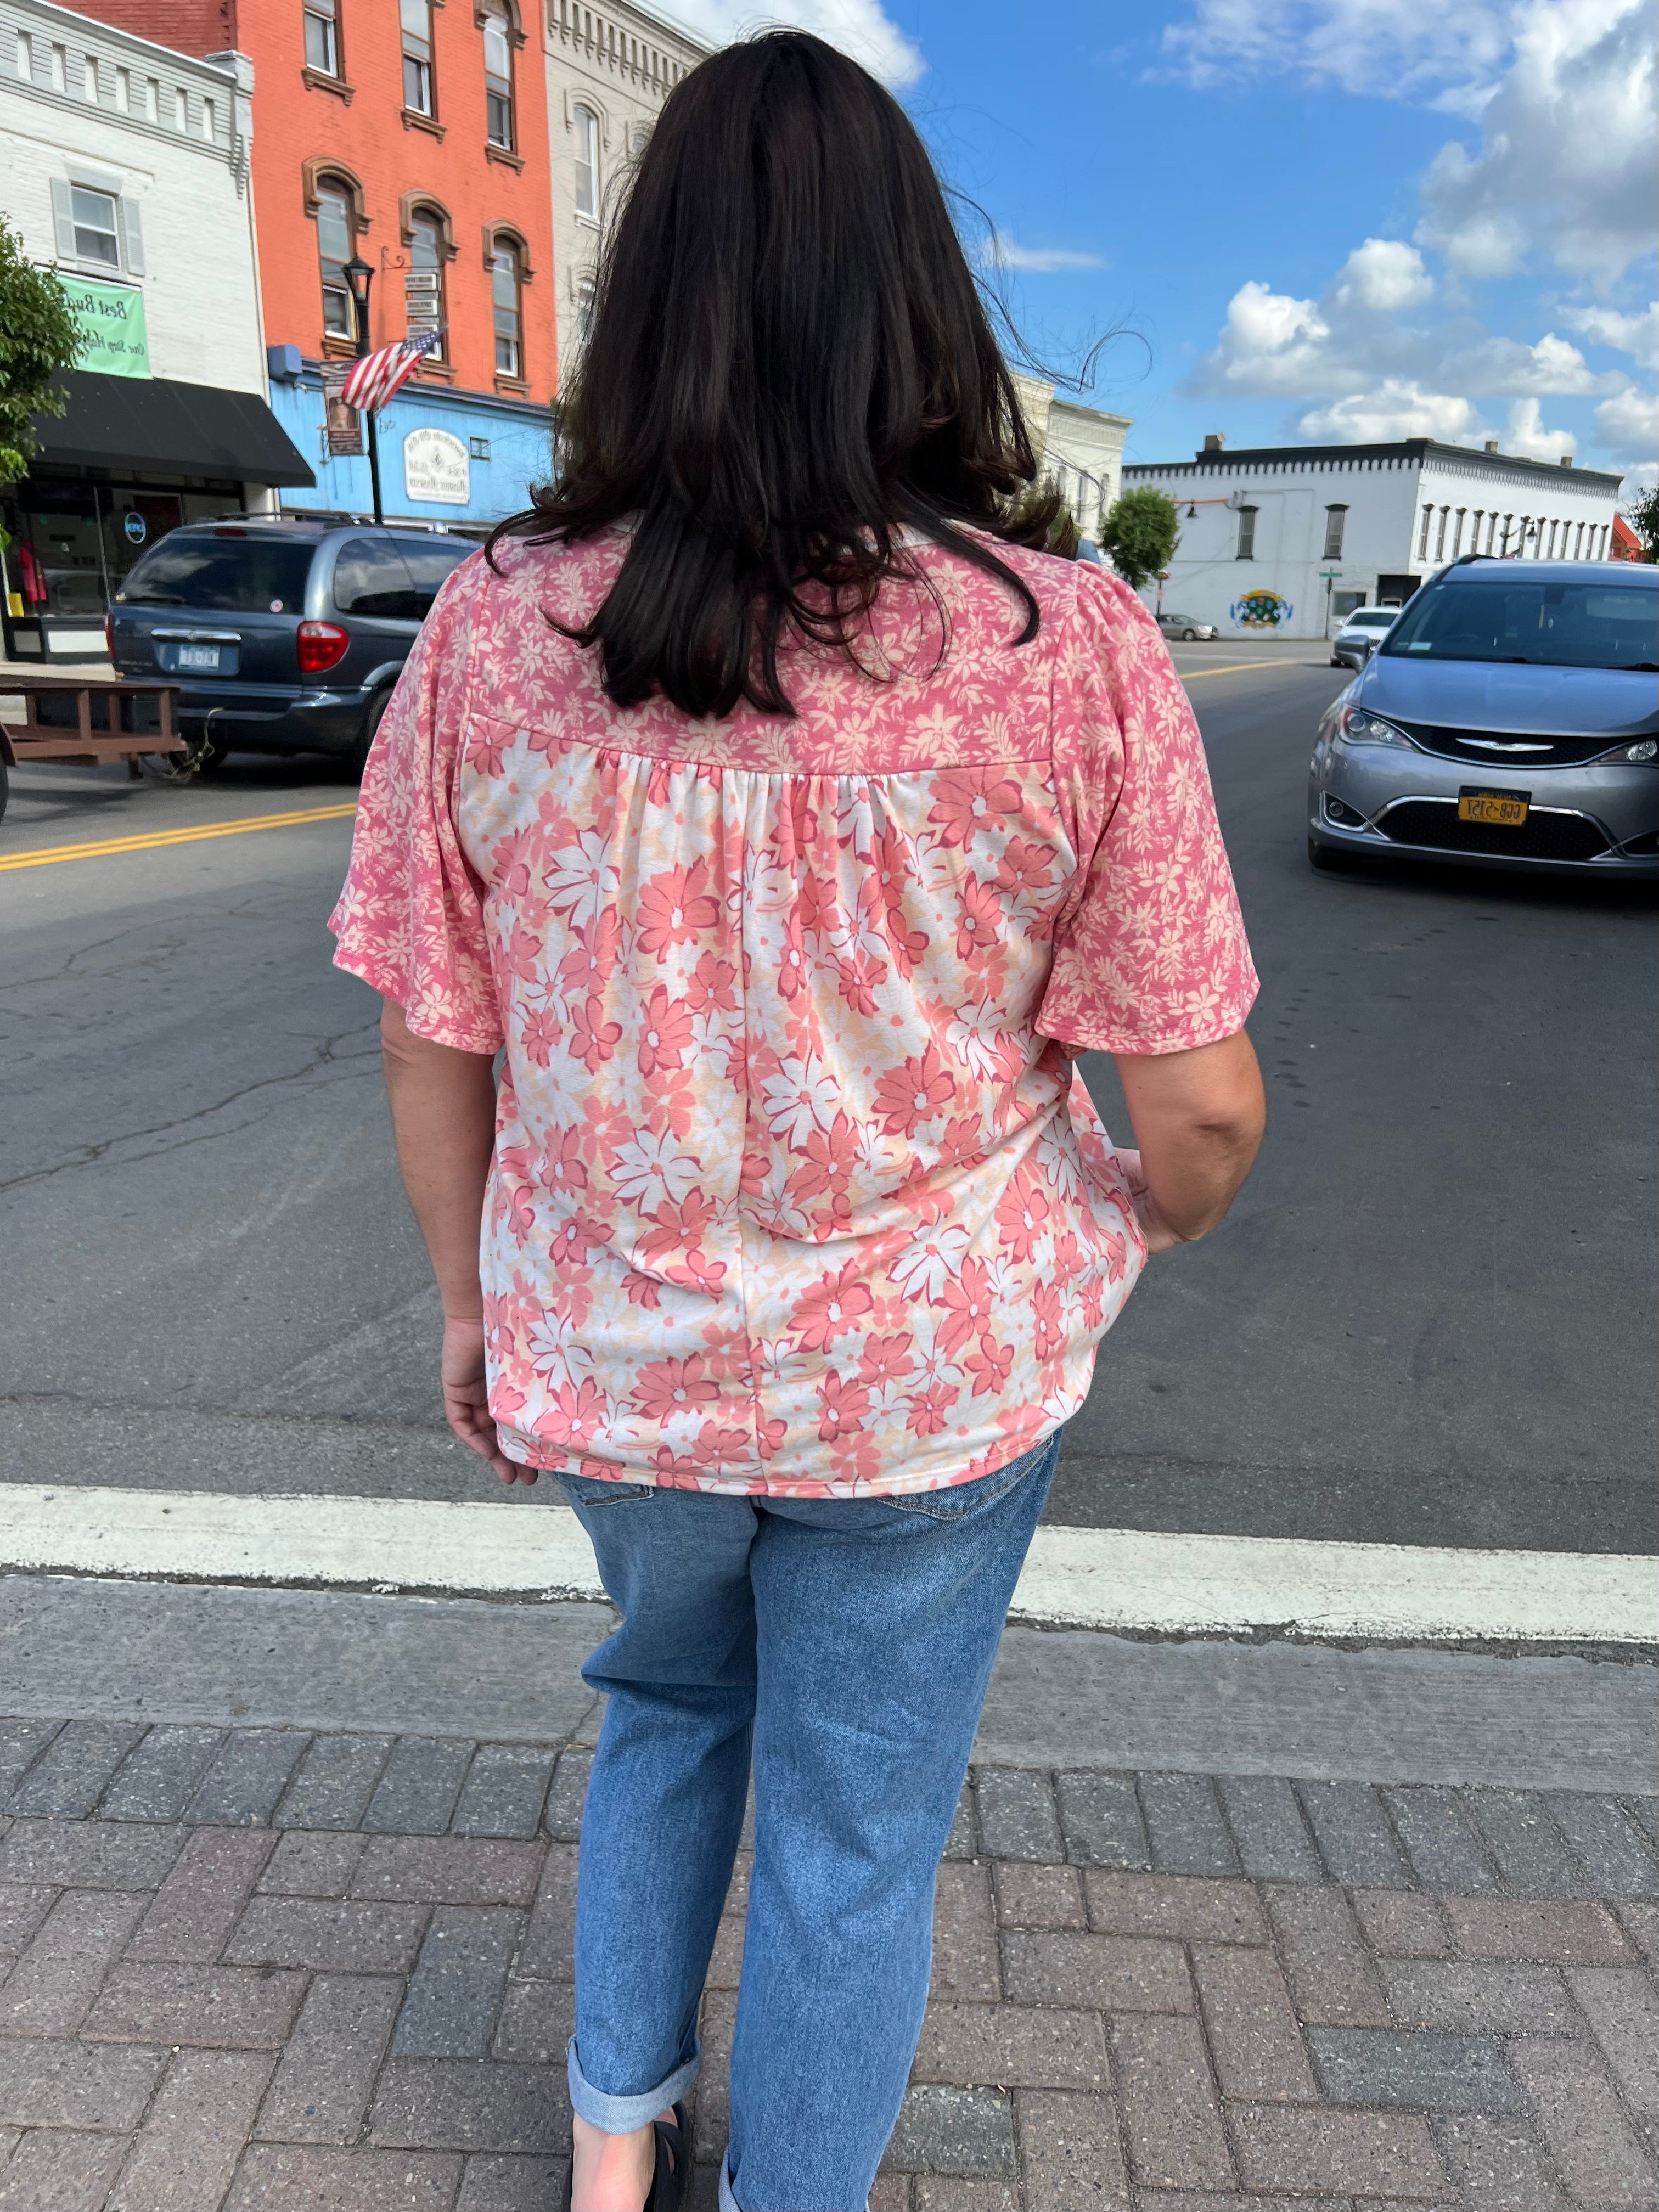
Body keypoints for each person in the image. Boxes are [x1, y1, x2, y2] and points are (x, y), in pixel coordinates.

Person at [330, 29, 1264, 2211]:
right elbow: (1202, 1109)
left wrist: (473, 1317)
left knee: (663, 1715)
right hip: (933, 1390)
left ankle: (609, 2149)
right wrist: (1123, 1223)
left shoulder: (486, 633)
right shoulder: (1074, 648)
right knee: (858, 1827)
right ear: (916, 305)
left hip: (617, 1365)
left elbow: (427, 1035)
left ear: (647, 300)